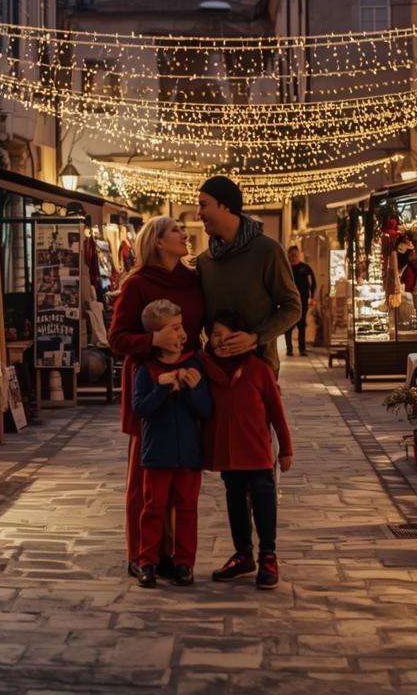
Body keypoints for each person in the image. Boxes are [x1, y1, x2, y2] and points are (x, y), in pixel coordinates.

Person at [108, 216, 205, 579]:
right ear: (159, 242)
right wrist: (153, 341)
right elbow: (117, 339)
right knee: (144, 473)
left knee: (182, 476)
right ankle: (141, 554)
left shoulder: (193, 281)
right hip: (150, 381)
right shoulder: (138, 284)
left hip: (187, 380)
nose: (185, 234)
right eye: (176, 230)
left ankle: (175, 556)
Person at [204, 311, 293, 589]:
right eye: (215, 335)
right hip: (228, 453)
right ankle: (243, 554)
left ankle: (268, 555)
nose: (220, 341)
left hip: (257, 451)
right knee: (235, 501)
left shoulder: (258, 370)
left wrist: (286, 448)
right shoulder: (207, 369)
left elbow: (276, 412)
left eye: (227, 335)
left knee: (263, 500)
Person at [130, 299, 213, 588]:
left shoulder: (194, 365)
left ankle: (185, 562)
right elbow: (140, 408)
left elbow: (205, 409)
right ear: (158, 335)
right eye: (175, 328)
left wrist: (190, 389)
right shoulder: (146, 370)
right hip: (157, 454)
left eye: (181, 327)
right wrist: (163, 388)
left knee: (187, 508)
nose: (182, 334)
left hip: (189, 454)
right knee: (153, 508)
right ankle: (147, 562)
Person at [194, 176, 303, 376]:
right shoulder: (204, 261)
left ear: (225, 206)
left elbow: (292, 307)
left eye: (203, 205)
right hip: (216, 371)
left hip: (259, 369)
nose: (198, 213)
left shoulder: (267, 251)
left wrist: (255, 337)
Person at [283, 246, 317, 357]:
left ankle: (302, 349)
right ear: (288, 256)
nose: (294, 257)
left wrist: (312, 297)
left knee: (302, 325)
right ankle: (289, 349)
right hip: (288, 301)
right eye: (291, 255)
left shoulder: (305, 268)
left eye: (295, 255)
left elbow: (313, 283)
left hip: (302, 301)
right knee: (288, 326)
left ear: (299, 255)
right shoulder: (285, 268)